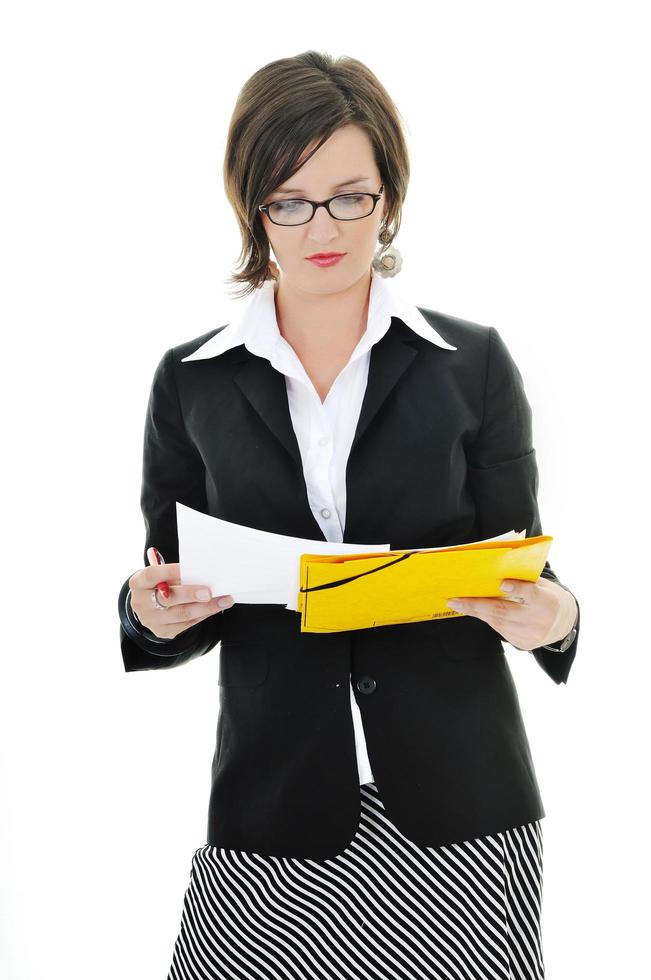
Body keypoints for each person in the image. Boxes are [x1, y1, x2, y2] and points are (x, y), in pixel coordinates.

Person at [117, 50, 580, 980]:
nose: (320, 226)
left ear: (389, 197)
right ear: (253, 208)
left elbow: (522, 563)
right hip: (271, 808)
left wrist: (556, 618)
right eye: (289, 199)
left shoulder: (471, 362)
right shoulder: (192, 379)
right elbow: (172, 578)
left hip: (462, 816)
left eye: (349, 196)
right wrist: (148, 613)